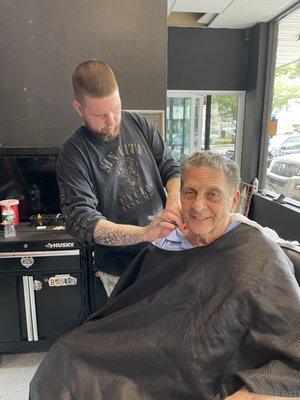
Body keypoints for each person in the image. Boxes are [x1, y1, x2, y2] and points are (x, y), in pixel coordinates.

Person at [30, 151, 300, 399]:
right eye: (190, 193)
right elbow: (131, 303)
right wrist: (158, 240)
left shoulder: (259, 254)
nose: (198, 206)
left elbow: (292, 339)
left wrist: (253, 390)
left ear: (235, 198)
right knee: (67, 353)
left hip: (196, 363)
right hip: (149, 345)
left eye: (213, 195)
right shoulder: (170, 242)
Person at [57, 59, 182, 294]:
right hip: (121, 271)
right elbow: (84, 221)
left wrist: (174, 202)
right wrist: (145, 234)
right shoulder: (74, 153)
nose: (112, 121)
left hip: (164, 256)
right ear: (79, 108)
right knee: (135, 331)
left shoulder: (139, 123)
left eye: (115, 109)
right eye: (100, 115)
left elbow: (170, 167)